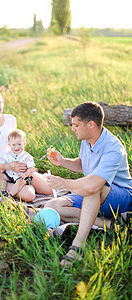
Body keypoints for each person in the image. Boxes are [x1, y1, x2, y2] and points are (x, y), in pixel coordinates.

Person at [45, 101, 132, 267]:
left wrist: (64, 183)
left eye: (76, 125)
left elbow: (93, 184)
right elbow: (84, 164)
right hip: (95, 191)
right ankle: (111, 225)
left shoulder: (113, 148)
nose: (72, 129)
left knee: (92, 188)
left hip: (122, 195)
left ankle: (78, 245)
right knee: (53, 205)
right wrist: (63, 162)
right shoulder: (87, 140)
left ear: (90, 124)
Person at [0, 89, 52, 202]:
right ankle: (18, 188)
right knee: (29, 195)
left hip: (16, 168)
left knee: (49, 189)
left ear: (3, 102)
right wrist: (8, 166)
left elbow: (16, 145)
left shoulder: (10, 119)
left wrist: (24, 164)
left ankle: (26, 181)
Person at [0, 129, 36, 202]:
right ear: (9, 145)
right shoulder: (7, 155)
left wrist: (26, 173)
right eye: (14, 145)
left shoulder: (27, 156)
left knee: (20, 182)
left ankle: (10, 195)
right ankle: (1, 191)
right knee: (1, 176)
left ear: (24, 144)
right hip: (10, 174)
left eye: (19, 144)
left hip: (21, 176)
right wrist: (1, 170)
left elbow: (31, 168)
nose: (16, 147)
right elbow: (4, 165)